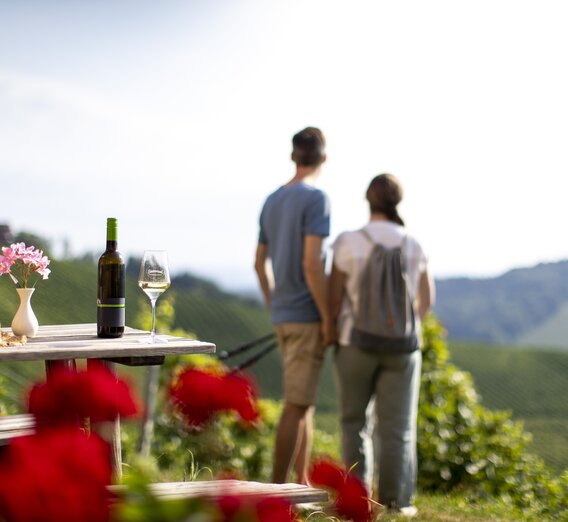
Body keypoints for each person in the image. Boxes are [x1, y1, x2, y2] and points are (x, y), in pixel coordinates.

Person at [329, 173, 434, 516]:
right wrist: (401, 324)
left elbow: (334, 298)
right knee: (398, 428)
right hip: (402, 349)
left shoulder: (348, 242)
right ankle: (396, 502)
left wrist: (332, 331)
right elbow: (426, 300)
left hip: (354, 344)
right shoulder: (413, 244)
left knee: (353, 423)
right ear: (397, 203)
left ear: (367, 200)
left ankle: (357, 500)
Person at [254, 126, 333, 485]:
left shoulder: (271, 200)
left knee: (305, 401)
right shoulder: (316, 200)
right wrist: (327, 316)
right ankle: (277, 490)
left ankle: (301, 479)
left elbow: (259, 263)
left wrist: (275, 306)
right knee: (296, 404)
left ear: (292, 156)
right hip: (306, 316)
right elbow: (312, 264)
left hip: (283, 315)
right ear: (323, 158)